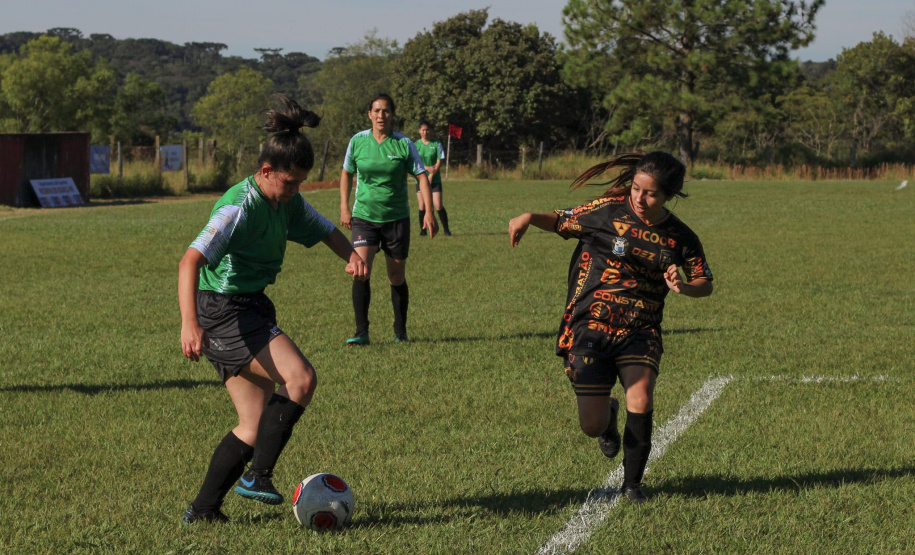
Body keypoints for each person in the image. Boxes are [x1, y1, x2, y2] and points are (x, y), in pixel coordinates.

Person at [178, 94, 368, 524]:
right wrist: (190, 323)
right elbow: (189, 261)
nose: (296, 191)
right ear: (266, 172)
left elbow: (327, 231)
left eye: (301, 182)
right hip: (222, 310)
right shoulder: (237, 207)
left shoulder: (286, 202)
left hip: (250, 306)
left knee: (252, 424)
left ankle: (203, 510)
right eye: (290, 182)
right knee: (300, 378)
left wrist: (351, 255)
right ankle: (257, 476)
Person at [507, 152, 713, 503]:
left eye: (650, 194)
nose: (639, 198)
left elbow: (704, 282)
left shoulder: (680, 237)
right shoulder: (606, 211)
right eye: (636, 188)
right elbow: (563, 220)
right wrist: (528, 217)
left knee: (642, 396)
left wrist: (683, 287)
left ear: (668, 196)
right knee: (591, 425)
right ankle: (609, 415)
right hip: (591, 325)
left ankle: (633, 485)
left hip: (640, 329)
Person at [339, 93, 437, 346]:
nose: (381, 115)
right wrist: (344, 207)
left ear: (392, 115)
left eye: (386, 111)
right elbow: (347, 173)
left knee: (396, 276)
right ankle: (361, 332)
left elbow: (422, 177)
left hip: (396, 219)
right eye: (376, 111)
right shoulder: (357, 141)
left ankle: (400, 331)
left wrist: (428, 211)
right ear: (369, 114)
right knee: (360, 271)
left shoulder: (404, 144)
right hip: (364, 217)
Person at [413, 121, 451, 236]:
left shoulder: (436, 144)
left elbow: (439, 161)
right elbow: (414, 162)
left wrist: (431, 174)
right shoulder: (415, 145)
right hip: (420, 180)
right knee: (422, 206)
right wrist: (426, 168)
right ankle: (423, 230)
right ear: (419, 131)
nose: (425, 132)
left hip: (435, 179)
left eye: (427, 130)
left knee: (438, 205)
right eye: (423, 130)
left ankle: (446, 230)